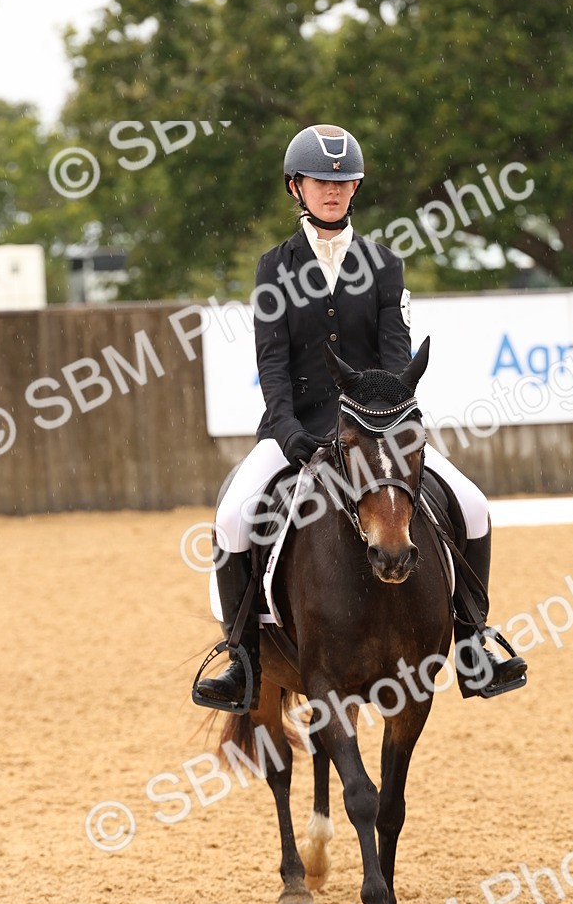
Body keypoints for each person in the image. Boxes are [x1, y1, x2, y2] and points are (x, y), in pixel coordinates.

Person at [194, 123, 526, 712]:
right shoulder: (275, 268)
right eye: (321, 181)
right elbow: (271, 361)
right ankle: (242, 662)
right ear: (296, 187)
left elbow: (397, 353)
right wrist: (290, 429)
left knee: (473, 506)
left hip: (378, 432)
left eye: (344, 181)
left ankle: (473, 643)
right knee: (232, 519)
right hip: (295, 430)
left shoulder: (383, 264)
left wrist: (391, 421)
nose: (333, 190)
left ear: (355, 189)